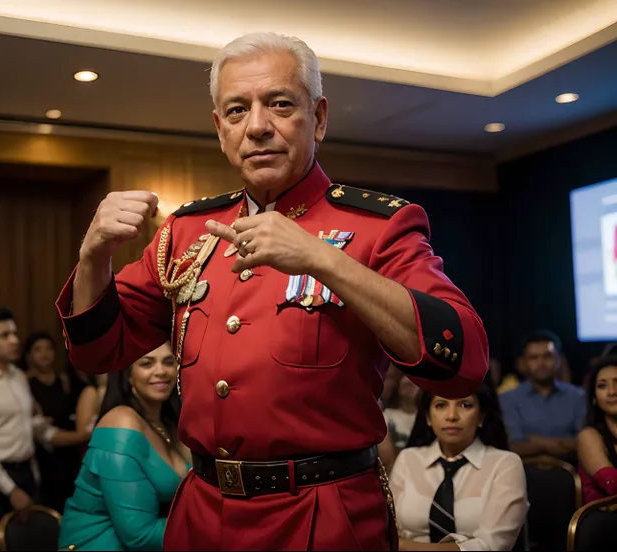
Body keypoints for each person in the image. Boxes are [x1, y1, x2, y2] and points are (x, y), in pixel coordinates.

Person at [55, 32, 488, 550]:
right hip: (202, 515)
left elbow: (463, 361)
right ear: (220, 130)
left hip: (321, 514)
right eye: (236, 111)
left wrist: (322, 259)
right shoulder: (188, 232)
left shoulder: (378, 226)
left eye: (280, 104)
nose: (257, 126)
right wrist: (93, 256)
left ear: (319, 117)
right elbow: (96, 351)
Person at [0, 308, 79, 551]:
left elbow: (26, 423)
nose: (15, 340)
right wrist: (11, 490)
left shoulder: (18, 376)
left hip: (25, 475)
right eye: (5, 335)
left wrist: (64, 434)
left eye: (15, 333)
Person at [58, 342, 188, 550]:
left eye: (168, 362)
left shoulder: (168, 422)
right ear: (127, 375)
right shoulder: (121, 423)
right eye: (147, 364)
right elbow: (139, 535)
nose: (161, 371)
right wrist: (211, 528)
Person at [390, 384, 528, 551]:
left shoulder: (505, 464)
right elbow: (389, 532)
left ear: (481, 417)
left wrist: (406, 546)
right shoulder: (408, 459)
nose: (452, 416)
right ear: (427, 417)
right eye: (441, 405)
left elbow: (491, 545)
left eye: (465, 405)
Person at [24, 332, 89, 512]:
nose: (44, 353)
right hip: (42, 455)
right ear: (28, 356)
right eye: (38, 349)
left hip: (68, 455)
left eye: (48, 348)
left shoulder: (65, 380)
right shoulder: (23, 383)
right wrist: (82, 436)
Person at [500, 331, 586, 461]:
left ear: (558, 359)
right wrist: (561, 443)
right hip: (523, 473)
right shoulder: (508, 399)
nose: (541, 363)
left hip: (572, 470)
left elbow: (585, 443)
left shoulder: (578, 396)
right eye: (534, 358)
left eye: (548, 356)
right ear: (524, 363)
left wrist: (534, 440)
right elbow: (514, 446)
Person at [576, 356, 617, 503]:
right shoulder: (588, 436)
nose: (612, 392)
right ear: (594, 397)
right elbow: (613, 485)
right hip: (605, 520)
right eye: (602, 386)